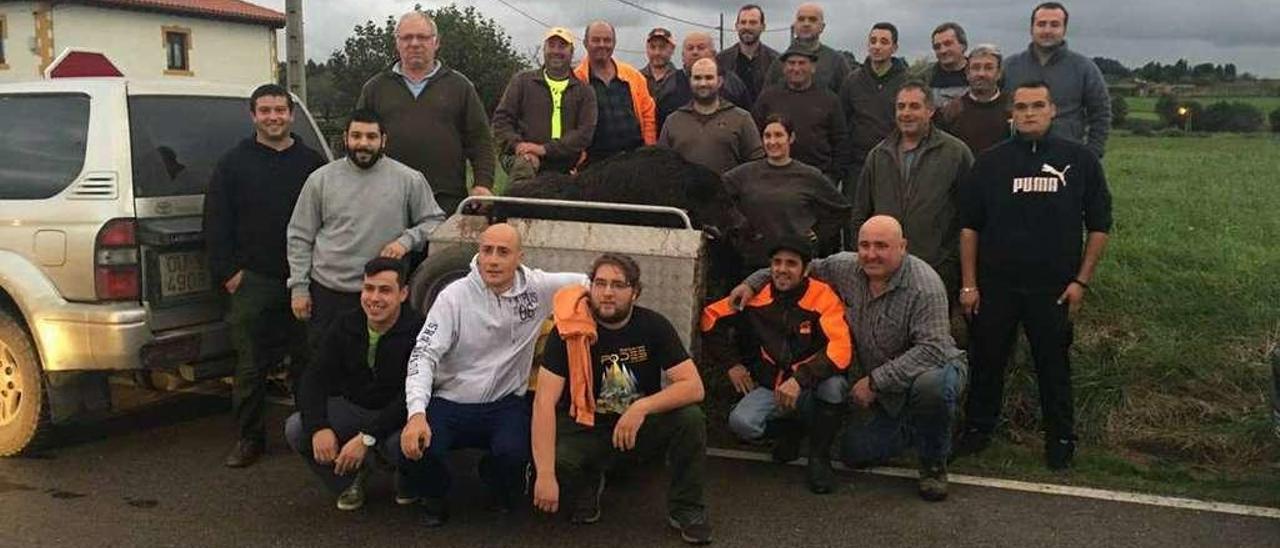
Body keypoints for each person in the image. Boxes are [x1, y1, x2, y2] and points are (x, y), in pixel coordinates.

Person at [730, 216, 968, 501]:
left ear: (902, 246)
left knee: (933, 387)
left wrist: (876, 382)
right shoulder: (845, 267)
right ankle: (921, 425)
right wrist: (751, 284)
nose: (870, 254)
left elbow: (932, 349)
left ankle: (933, 464)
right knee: (854, 454)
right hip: (882, 390)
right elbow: (796, 268)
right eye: (864, 245)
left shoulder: (925, 286)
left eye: (882, 246)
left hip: (928, 371)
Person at [955, 81, 1112, 470]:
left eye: (1037, 105)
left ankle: (1060, 437)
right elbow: (969, 227)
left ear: (1053, 110)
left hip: (1054, 288)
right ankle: (977, 431)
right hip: (996, 286)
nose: (1029, 113)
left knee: (1053, 364)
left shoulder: (1081, 161)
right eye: (1021, 106)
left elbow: (1099, 225)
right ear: (1012, 113)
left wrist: (1081, 282)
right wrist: (969, 284)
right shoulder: (990, 162)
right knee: (987, 361)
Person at [400, 223, 588, 526]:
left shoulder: (537, 288)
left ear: (519, 257)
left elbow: (592, 283)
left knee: (513, 455)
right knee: (420, 448)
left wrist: (592, 312)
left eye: (503, 252)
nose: (493, 260)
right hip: (450, 401)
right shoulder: (453, 297)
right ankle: (434, 495)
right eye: (487, 250)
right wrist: (416, 413)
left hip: (504, 404)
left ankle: (494, 482)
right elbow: (424, 354)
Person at [532, 253, 711, 545]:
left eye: (618, 284)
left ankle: (687, 509)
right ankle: (590, 481)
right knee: (556, 462)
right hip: (587, 426)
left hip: (637, 428)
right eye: (600, 283)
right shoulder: (568, 332)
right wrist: (545, 475)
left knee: (689, 419)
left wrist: (642, 406)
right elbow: (544, 403)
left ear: (635, 292)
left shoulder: (653, 326)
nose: (607, 292)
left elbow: (694, 387)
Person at [204, 83, 326, 468]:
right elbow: (216, 222)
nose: (273, 117)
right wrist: (229, 274)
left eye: (280, 110)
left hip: (304, 278)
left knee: (306, 361)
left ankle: (308, 432)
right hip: (253, 280)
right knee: (250, 366)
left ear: (291, 114)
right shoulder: (233, 163)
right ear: (253, 115)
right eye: (265, 110)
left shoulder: (312, 164)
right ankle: (249, 439)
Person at [286, 109, 445, 361]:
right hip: (329, 294)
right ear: (345, 138)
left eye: (371, 137)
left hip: (380, 297)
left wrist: (406, 241)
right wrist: (299, 288)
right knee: (322, 368)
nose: (363, 143)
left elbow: (435, 221)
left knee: (378, 368)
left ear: (383, 140)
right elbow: (299, 236)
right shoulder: (320, 180)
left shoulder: (409, 179)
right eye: (356, 136)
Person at [701, 237, 852, 494]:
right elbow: (710, 318)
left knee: (835, 388)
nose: (782, 269)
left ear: (806, 270)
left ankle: (819, 457)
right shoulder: (754, 294)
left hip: (811, 384)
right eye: (777, 262)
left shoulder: (824, 297)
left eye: (791, 264)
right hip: (770, 385)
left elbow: (841, 350)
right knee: (742, 423)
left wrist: (800, 379)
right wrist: (732, 364)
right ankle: (791, 430)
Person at [284, 258, 423, 511]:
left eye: (385, 290)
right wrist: (319, 428)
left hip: (398, 415)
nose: (374, 298)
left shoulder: (420, 330)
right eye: (369, 288)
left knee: (404, 445)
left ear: (403, 294)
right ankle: (350, 481)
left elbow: (411, 395)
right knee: (296, 428)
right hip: (357, 407)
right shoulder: (345, 324)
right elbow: (313, 377)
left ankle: (406, 478)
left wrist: (368, 437)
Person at [355, 11, 495, 215]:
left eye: (422, 37)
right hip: (385, 202)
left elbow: (480, 141)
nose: (414, 43)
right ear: (397, 43)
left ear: (436, 42)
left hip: (445, 202)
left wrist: (483, 184)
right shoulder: (374, 89)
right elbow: (356, 141)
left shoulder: (460, 87)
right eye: (407, 37)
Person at [851, 82, 974, 306]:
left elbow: (970, 218)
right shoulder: (878, 155)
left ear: (930, 110)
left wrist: (958, 268)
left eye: (914, 106)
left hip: (936, 268)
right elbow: (861, 213)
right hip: (885, 269)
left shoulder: (956, 153)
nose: (906, 113)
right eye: (901, 107)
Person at [722, 114, 849, 267]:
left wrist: (818, 234)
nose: (772, 141)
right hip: (753, 261)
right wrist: (738, 227)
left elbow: (842, 210)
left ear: (791, 138)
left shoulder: (809, 175)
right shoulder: (743, 174)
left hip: (794, 262)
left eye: (779, 135)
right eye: (767, 136)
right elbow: (717, 197)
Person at [1001, 2, 1111, 158]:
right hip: (1017, 156)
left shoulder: (1084, 68)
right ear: (1031, 28)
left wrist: (1092, 154)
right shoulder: (1010, 66)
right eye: (1041, 24)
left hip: (1068, 157)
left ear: (1064, 29)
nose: (1047, 30)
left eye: (1054, 25)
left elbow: (1101, 114)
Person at [492, 27, 598, 182]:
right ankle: (513, 204)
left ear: (572, 51)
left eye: (562, 46)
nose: (556, 51)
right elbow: (501, 121)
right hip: (525, 158)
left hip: (566, 162)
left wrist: (544, 150)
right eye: (551, 45)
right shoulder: (522, 81)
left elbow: (584, 133)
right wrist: (518, 146)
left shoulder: (585, 91)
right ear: (544, 49)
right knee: (524, 170)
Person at [753, 46, 848, 184]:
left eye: (802, 63)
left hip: (818, 176)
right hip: (775, 177)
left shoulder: (829, 99)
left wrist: (834, 176)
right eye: (791, 63)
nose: (796, 68)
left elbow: (840, 140)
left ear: (813, 67)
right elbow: (755, 135)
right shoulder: (768, 97)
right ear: (784, 68)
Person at [839, 22, 910, 200]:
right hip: (857, 166)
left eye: (884, 42)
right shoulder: (852, 81)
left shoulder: (908, 83)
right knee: (855, 219)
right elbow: (842, 123)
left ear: (894, 47)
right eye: (873, 41)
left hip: (895, 164)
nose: (877, 46)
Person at [658, 58, 763, 175]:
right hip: (684, 192)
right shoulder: (673, 122)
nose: (703, 83)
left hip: (728, 192)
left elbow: (756, 163)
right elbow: (662, 165)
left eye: (709, 78)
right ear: (690, 81)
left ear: (720, 81)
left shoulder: (741, 119)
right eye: (697, 78)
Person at [574, 21, 658, 164]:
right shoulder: (577, 80)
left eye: (607, 40)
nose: (602, 44)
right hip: (594, 164)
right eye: (596, 40)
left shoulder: (633, 76)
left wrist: (649, 151)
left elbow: (648, 114)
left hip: (635, 159)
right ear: (585, 43)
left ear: (614, 43)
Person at [656, 32, 753, 126]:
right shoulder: (670, 86)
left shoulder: (732, 84)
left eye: (701, 48)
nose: (695, 52)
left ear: (714, 53)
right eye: (690, 48)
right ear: (682, 56)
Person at [937, 45, 1012, 155]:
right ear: (967, 73)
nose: (981, 74)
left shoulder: (1013, 108)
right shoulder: (951, 111)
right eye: (976, 68)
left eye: (988, 68)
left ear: (999, 73)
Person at [765, 3, 853, 95]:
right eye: (801, 19)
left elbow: (848, 99)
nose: (806, 24)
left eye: (812, 20)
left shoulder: (836, 62)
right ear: (794, 26)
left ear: (822, 27)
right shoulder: (779, 62)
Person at [716, 4, 779, 106]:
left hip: (765, 120)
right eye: (743, 22)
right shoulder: (721, 60)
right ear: (736, 26)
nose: (747, 27)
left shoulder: (775, 61)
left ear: (763, 27)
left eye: (753, 22)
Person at [918, 22, 970, 110]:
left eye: (948, 44)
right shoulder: (924, 78)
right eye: (937, 47)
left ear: (963, 46)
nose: (943, 50)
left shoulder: (981, 74)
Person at [641, 27, 681, 123]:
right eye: (653, 47)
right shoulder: (637, 78)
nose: (657, 52)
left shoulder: (681, 80)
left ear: (672, 49)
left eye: (662, 47)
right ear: (647, 49)